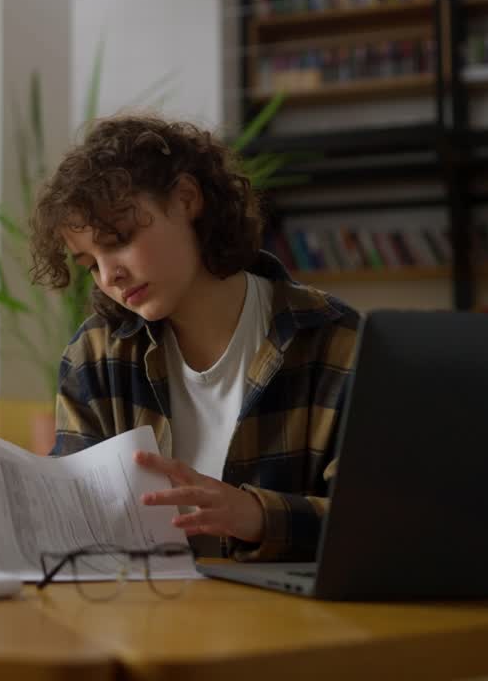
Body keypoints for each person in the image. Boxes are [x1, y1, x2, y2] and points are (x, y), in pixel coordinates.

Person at [25, 113, 360, 562]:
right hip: (142, 622)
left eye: (120, 239)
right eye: (89, 264)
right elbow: (77, 521)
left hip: (293, 626)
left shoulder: (336, 342)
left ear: (186, 199)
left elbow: (382, 526)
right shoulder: (96, 357)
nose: (109, 276)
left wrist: (257, 515)